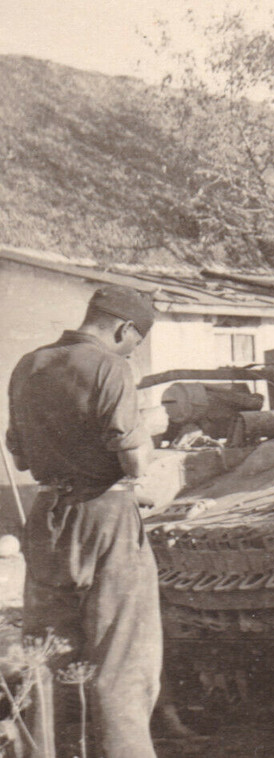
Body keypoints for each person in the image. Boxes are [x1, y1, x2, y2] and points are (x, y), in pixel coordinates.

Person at [6, 284, 161, 758]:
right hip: (105, 514)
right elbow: (133, 461)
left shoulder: (28, 365)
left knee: (48, 653)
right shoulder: (110, 366)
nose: (134, 349)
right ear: (124, 328)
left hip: (47, 515)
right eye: (137, 339)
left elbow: (20, 454)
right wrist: (150, 444)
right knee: (122, 660)